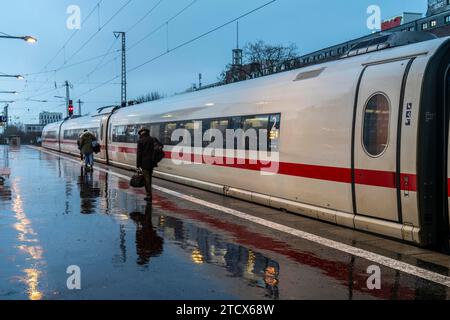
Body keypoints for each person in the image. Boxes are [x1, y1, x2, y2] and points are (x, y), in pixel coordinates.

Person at [137, 127, 156, 202]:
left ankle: (149, 195)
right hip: (151, 163)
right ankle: (149, 194)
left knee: (146, 180)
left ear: (141, 133)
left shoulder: (140, 141)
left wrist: (138, 165)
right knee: (149, 179)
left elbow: (139, 154)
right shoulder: (152, 139)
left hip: (144, 163)